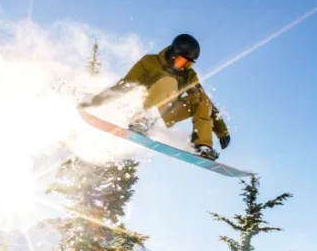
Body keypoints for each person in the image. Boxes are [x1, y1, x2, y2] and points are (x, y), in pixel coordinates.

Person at [81, 34, 231, 161]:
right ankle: (143, 120)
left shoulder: (188, 75)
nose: (182, 66)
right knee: (168, 81)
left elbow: (204, 102)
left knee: (201, 98)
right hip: (145, 107)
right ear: (173, 53)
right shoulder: (150, 62)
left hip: (167, 113)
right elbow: (124, 85)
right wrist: (95, 102)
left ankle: (201, 146)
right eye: (180, 60)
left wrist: (221, 130)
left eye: (187, 63)